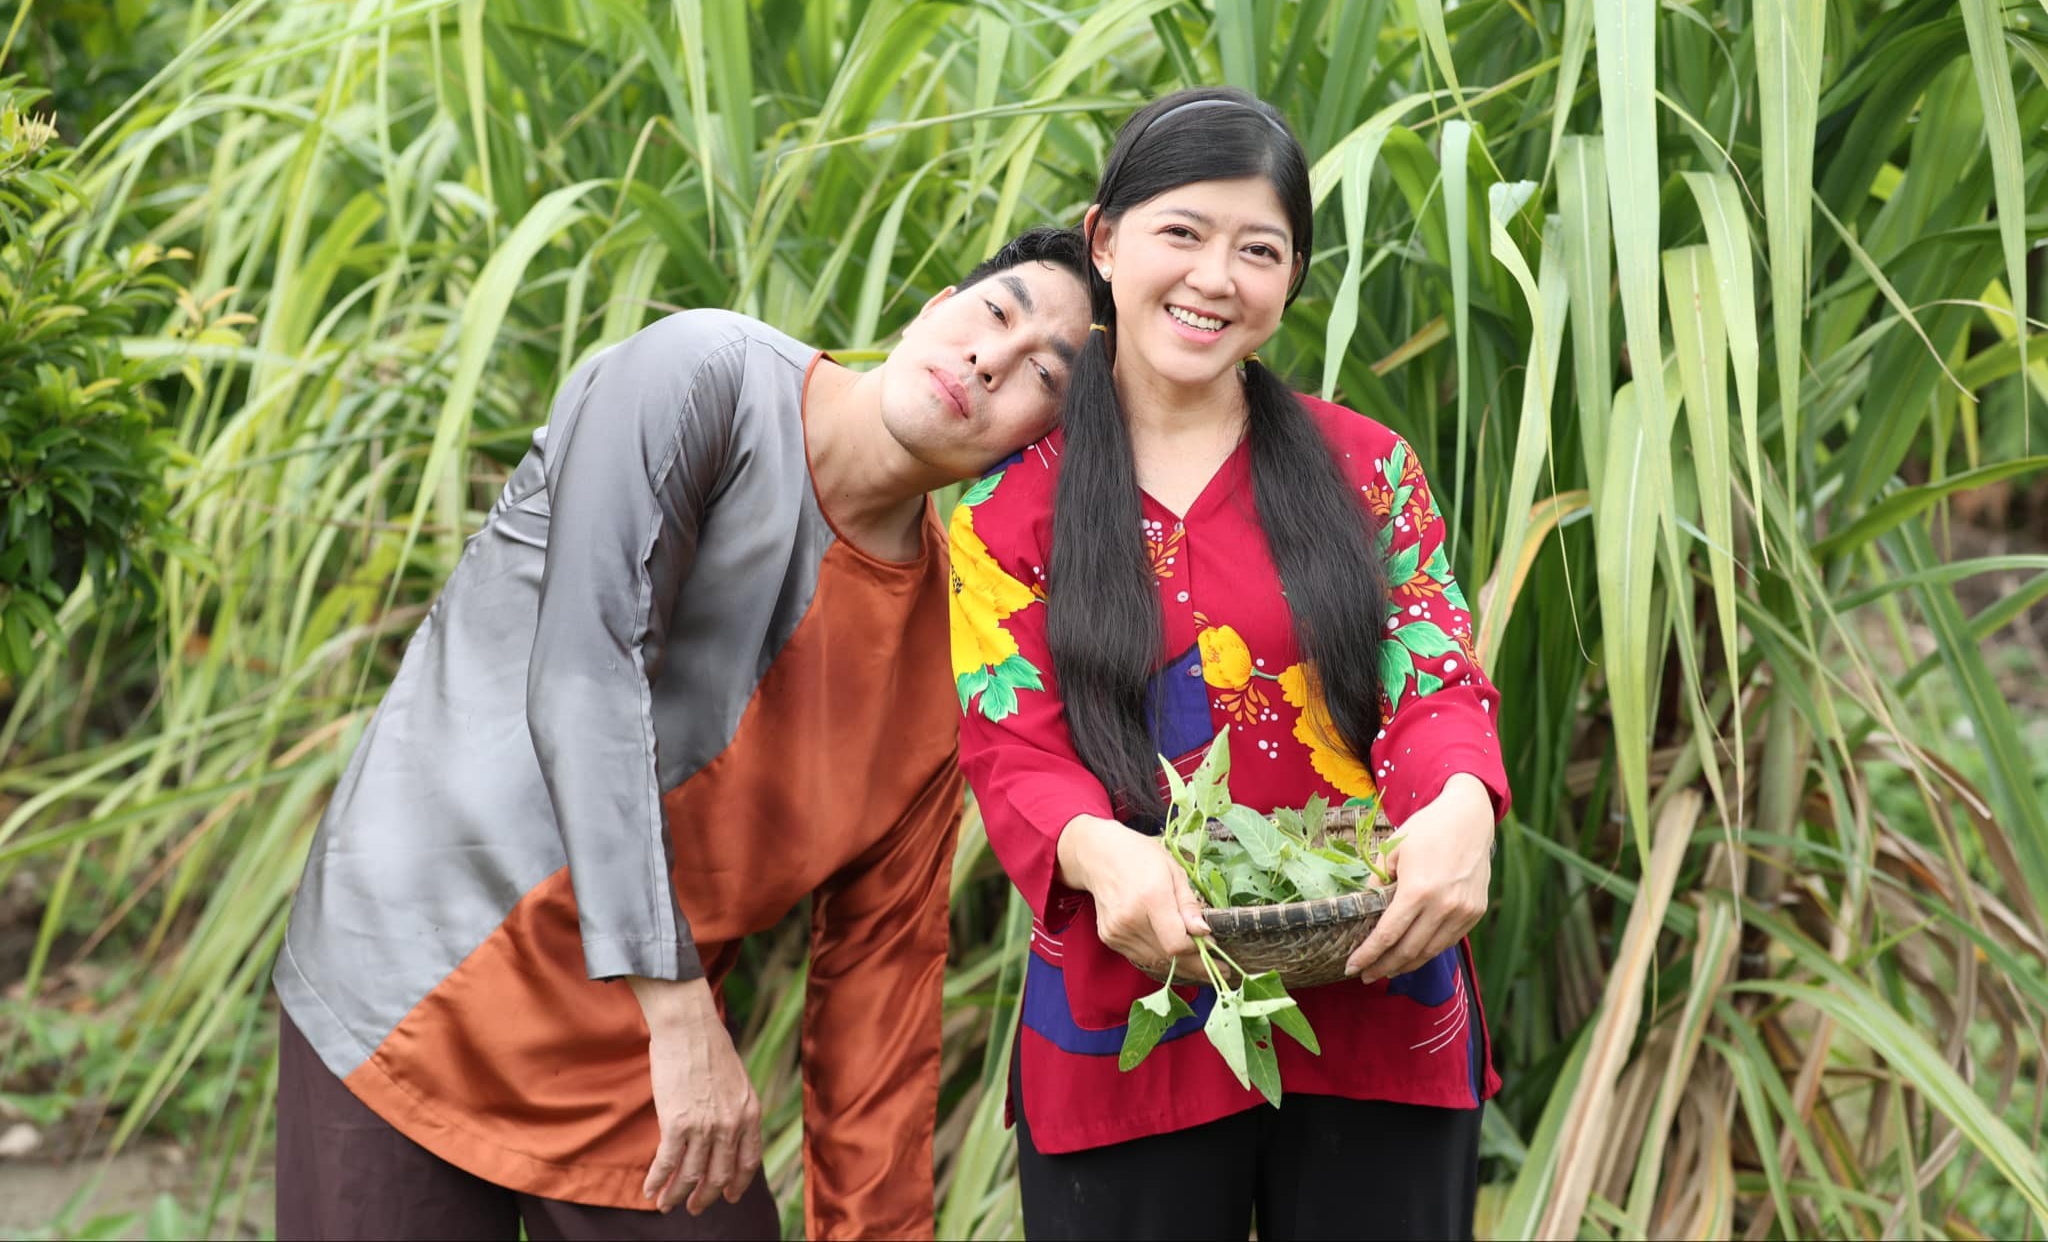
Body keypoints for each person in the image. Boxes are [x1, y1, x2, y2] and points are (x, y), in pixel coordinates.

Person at [272, 226, 1092, 1241]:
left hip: (636, 1058)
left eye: (1042, 374)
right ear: (934, 307)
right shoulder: (702, 375)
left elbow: (881, 977)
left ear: (1039, 445)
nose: (989, 359)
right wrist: (676, 1016)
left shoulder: (951, 651)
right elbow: (584, 675)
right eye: (995, 313)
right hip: (416, 971)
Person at [950, 89, 1510, 1241]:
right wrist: (1100, 852)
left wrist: (1461, 804)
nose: (1216, 277)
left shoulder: (1368, 467)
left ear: (1290, 278)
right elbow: (1013, 744)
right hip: (1130, 1012)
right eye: (1181, 233)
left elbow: (1434, 678)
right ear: (1103, 240)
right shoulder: (1010, 506)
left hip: (1375, 994)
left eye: (1258, 250)